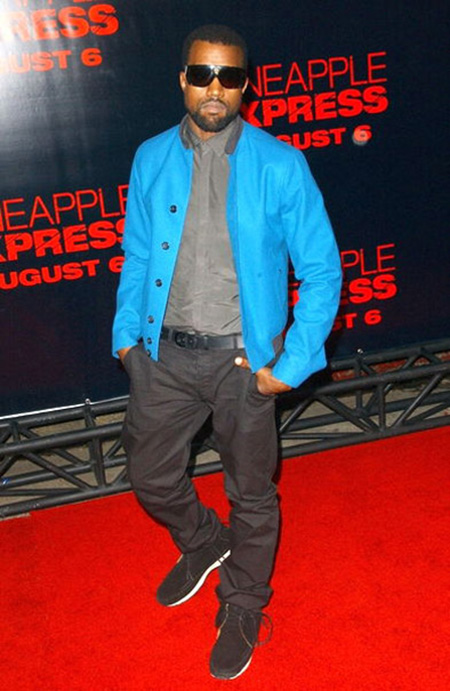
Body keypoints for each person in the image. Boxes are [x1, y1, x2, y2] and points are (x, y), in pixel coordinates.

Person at [112, 24, 342, 680]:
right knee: (151, 477)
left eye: (230, 77)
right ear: (183, 80)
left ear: (246, 86)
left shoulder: (280, 164)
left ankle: (243, 599)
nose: (215, 89)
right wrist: (126, 337)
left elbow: (322, 270)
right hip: (163, 356)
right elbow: (136, 253)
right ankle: (205, 540)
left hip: (244, 363)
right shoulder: (151, 156)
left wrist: (290, 365)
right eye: (203, 75)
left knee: (252, 493)